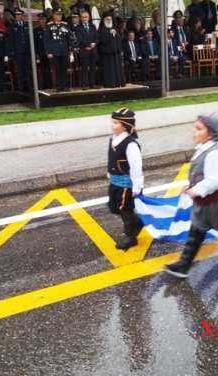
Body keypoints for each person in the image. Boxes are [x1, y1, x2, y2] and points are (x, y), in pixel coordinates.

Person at [163, 114, 218, 279]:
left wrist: (195, 190)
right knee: (195, 233)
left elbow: (214, 181)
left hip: (217, 204)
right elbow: (201, 174)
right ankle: (183, 265)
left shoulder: (214, 153)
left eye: (198, 129)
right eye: (195, 127)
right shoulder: (204, 148)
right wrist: (191, 186)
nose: (194, 131)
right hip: (204, 203)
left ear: (211, 133)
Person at [107, 107, 144, 250]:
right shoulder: (114, 139)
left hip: (127, 183)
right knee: (114, 207)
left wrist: (137, 186)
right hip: (115, 180)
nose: (112, 125)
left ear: (126, 126)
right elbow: (111, 157)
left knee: (125, 209)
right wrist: (109, 171)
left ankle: (131, 237)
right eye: (112, 122)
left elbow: (136, 166)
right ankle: (138, 222)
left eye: (116, 123)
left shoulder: (131, 144)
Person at [44, 8, 71, 92]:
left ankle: (65, 85)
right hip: (55, 51)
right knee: (57, 69)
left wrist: (70, 50)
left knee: (64, 68)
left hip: (64, 50)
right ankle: (59, 86)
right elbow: (46, 40)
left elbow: (69, 38)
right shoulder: (49, 26)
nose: (59, 16)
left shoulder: (65, 25)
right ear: (53, 16)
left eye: (60, 14)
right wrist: (49, 52)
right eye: (57, 14)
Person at [8, 9, 30, 92]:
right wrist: (12, 51)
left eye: (20, 14)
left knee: (27, 69)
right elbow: (11, 40)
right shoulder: (12, 26)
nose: (18, 16)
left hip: (27, 51)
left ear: (22, 15)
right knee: (20, 70)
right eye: (17, 15)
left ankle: (28, 86)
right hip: (18, 51)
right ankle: (21, 87)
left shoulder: (26, 24)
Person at [74, 10, 98, 89]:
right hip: (84, 51)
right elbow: (79, 39)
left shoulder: (92, 26)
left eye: (86, 17)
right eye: (83, 17)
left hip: (93, 50)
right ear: (81, 18)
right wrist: (87, 45)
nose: (85, 19)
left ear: (89, 18)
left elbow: (97, 37)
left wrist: (94, 43)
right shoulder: (78, 28)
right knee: (84, 68)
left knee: (92, 68)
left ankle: (92, 84)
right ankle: (85, 85)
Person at [99, 14, 124, 88]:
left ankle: (118, 82)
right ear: (104, 21)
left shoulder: (115, 29)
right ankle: (110, 83)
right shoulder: (102, 29)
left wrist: (115, 35)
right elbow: (102, 40)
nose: (109, 21)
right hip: (107, 54)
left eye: (110, 19)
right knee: (109, 70)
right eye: (107, 19)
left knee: (117, 69)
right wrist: (110, 35)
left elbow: (119, 40)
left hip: (116, 53)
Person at [34, 13, 52, 90]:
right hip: (40, 53)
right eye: (40, 19)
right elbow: (35, 43)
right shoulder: (36, 30)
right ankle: (44, 85)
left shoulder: (49, 28)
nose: (42, 21)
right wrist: (36, 54)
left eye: (43, 19)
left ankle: (51, 84)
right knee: (43, 70)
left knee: (50, 69)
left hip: (49, 53)